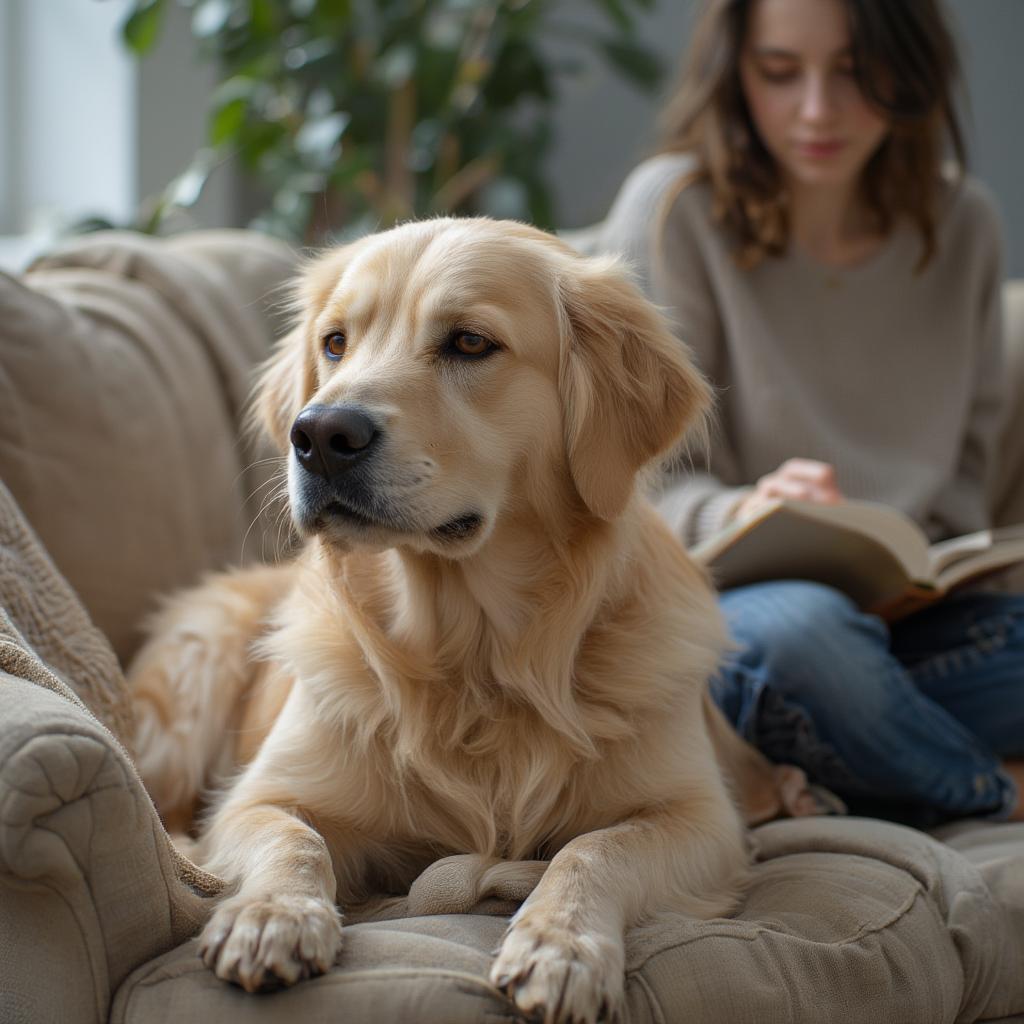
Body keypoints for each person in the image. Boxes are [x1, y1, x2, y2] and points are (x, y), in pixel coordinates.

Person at [595, 0, 1024, 827]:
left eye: (858, 74)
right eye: (780, 73)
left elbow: (965, 481)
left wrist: (936, 574)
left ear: (912, 67)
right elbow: (624, 476)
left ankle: (835, 754)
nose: (818, 110)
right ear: (735, 72)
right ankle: (989, 791)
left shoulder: (964, 225)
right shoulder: (674, 210)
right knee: (805, 640)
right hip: (737, 616)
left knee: (850, 662)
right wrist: (744, 509)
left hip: (910, 628)